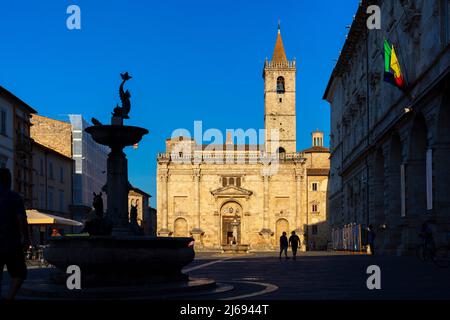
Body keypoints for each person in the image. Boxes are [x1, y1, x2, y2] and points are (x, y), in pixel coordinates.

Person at [0, 168, 30, 301]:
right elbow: (21, 218)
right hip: (11, 242)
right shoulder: (15, 197)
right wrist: (26, 237)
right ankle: (9, 297)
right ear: (8, 180)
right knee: (20, 273)